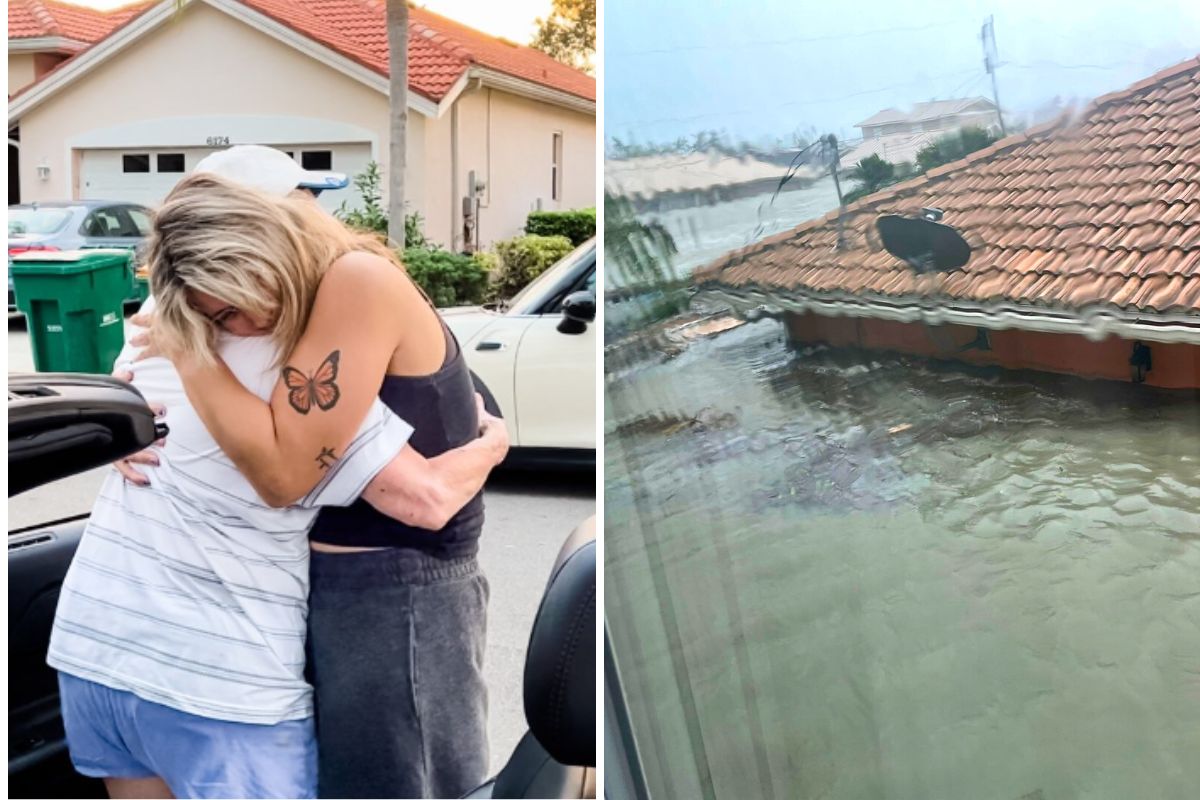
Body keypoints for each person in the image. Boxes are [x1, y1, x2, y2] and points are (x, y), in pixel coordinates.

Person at [50, 147, 509, 800]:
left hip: (388, 596)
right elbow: (420, 492)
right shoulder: (218, 334)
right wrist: (494, 446)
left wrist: (162, 371)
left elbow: (416, 496)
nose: (228, 324)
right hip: (277, 631)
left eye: (232, 306)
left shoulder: (338, 298)